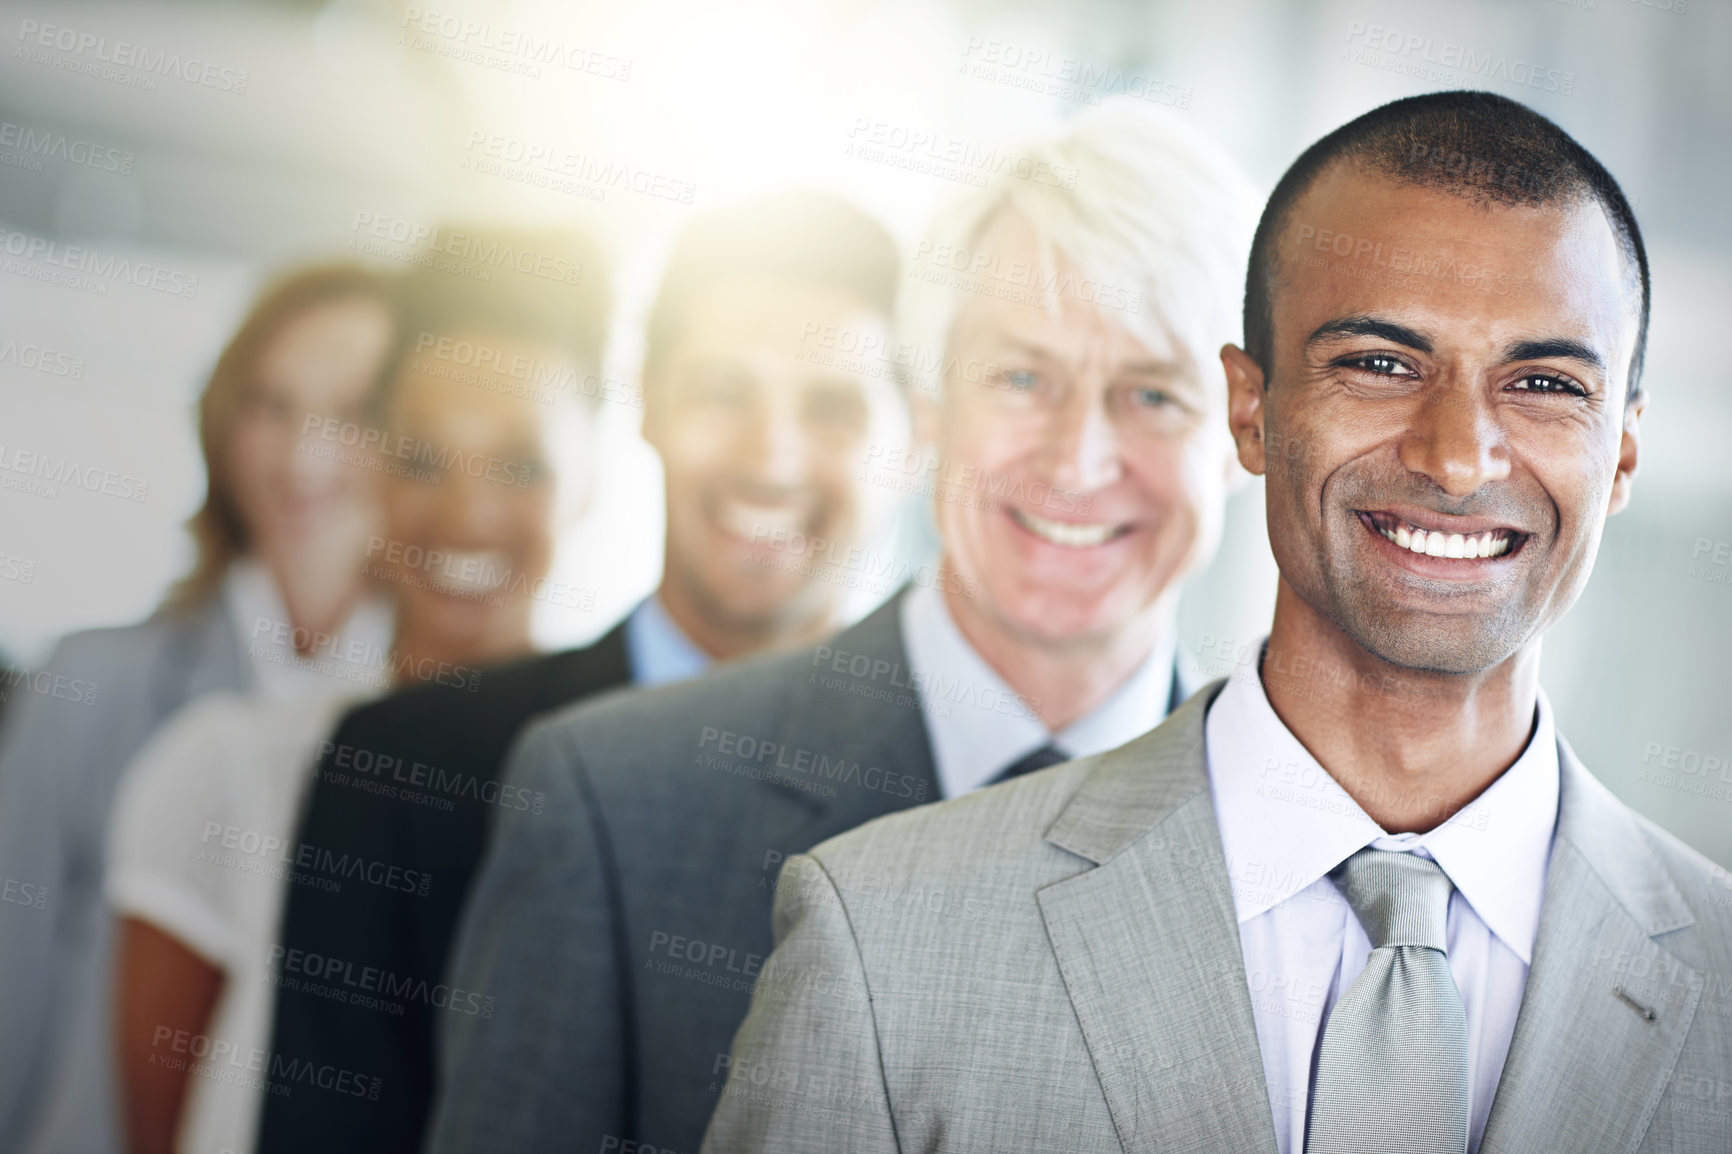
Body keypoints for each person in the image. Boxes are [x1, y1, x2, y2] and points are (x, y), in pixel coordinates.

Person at [704, 89, 1732, 1154]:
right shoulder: (881, 933)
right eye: (1380, 363)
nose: (1454, 456)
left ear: (1620, 453)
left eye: (1542, 381)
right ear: (1251, 409)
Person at [428, 98, 1258, 1154]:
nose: (1077, 460)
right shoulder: (613, 800)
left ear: (1243, 437)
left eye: (1152, 394)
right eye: (1021, 377)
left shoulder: (1287, 845)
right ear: (927, 411)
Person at [256, 192, 910, 1154]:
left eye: (831, 407)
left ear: (915, 432)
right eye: (724, 393)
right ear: (646, 400)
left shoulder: (945, 798)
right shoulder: (403, 769)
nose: (770, 457)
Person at [103, 229, 609, 1154]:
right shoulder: (227, 767)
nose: (467, 513)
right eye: (422, 460)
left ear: (590, 479)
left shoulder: (622, 774)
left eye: (520, 465)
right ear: (373, 465)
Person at [0, 265, 399, 1154]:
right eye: (271, 404)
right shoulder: (90, 686)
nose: (304, 456)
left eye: (353, 413)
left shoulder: (438, 728)